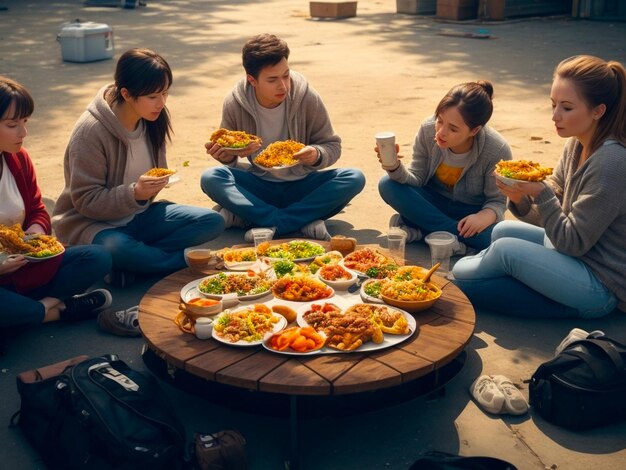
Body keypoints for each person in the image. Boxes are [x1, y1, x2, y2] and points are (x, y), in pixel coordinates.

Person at [452, 55, 626, 318]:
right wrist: (520, 198)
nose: (555, 116)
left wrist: (541, 193)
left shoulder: (611, 162)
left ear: (598, 111)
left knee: (495, 256)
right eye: (553, 105)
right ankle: (508, 280)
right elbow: (549, 212)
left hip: (600, 283)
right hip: (572, 256)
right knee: (502, 230)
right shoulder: (577, 142)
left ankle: (465, 279)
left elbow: (571, 242)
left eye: (567, 108)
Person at [52, 48, 224, 287]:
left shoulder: (154, 118)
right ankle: (183, 261)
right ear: (127, 93)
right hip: (94, 224)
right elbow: (85, 200)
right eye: (153, 96)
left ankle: (136, 265)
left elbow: (156, 173)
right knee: (116, 247)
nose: (161, 103)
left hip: (139, 216)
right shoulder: (91, 131)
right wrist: (134, 192)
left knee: (211, 221)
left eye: (165, 93)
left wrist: (149, 189)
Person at [200, 33, 365, 242]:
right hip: (259, 184)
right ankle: (301, 221)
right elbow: (230, 153)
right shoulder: (235, 102)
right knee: (211, 177)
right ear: (252, 80)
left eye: (286, 75)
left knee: (354, 177)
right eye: (272, 80)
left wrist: (316, 154)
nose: (283, 86)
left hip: (302, 185)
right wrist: (226, 157)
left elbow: (332, 145)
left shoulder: (305, 96)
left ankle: (263, 221)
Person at [0, 76, 113, 338]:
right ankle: (55, 310)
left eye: (25, 122)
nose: (23, 133)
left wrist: (34, 234)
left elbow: (38, 209)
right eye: (12, 125)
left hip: (25, 266)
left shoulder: (18, 158)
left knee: (98, 257)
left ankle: (28, 314)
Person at [377, 81, 512, 253]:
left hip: (468, 214)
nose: (441, 132)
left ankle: (420, 229)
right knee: (387, 185)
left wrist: (485, 216)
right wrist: (394, 166)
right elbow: (417, 178)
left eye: (453, 129)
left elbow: (498, 201)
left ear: (474, 130)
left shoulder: (496, 150)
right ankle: (450, 240)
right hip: (433, 203)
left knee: (497, 238)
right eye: (439, 120)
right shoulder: (427, 129)